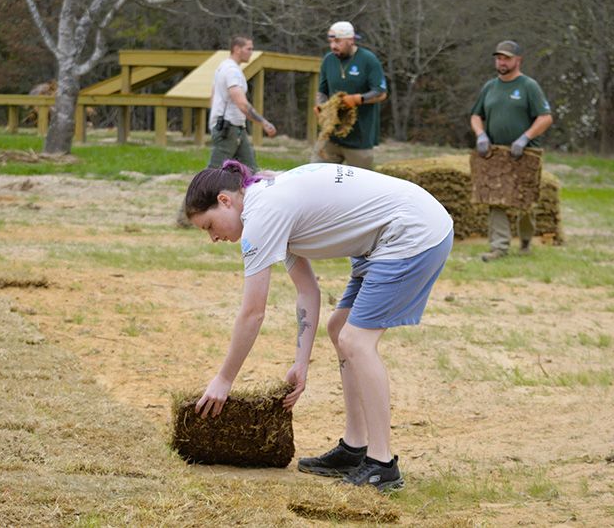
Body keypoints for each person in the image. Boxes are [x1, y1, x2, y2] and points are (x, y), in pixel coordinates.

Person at [185, 160, 453, 492]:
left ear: (225, 200)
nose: (212, 237)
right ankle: (355, 448)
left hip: (411, 230)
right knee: (340, 328)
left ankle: (382, 464)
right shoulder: (267, 201)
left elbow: (253, 312)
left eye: (209, 225)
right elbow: (308, 291)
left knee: (356, 340)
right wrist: (301, 364)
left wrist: (224, 379)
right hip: (387, 235)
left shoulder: (262, 214)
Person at [470, 40, 553, 262]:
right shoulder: (490, 87)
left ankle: (525, 240)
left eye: (506, 58)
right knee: (494, 198)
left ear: (518, 60)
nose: (502, 62)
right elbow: (476, 115)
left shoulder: (528, 86)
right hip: (495, 152)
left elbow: (545, 117)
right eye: (499, 58)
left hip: (524, 153)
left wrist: (525, 138)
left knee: (524, 201)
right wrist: (481, 135)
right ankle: (499, 247)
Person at [311, 21, 388, 169]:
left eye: (338, 41)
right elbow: (322, 90)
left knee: (360, 186)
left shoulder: (368, 60)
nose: (333, 46)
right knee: (315, 173)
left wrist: (358, 99)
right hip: (331, 136)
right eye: (331, 41)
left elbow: (381, 92)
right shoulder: (329, 60)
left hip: (360, 140)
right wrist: (321, 105)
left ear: (351, 40)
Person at [209, 35, 277, 170]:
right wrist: (264, 123)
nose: (251, 52)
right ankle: (201, 191)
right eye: (248, 48)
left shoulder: (223, 67)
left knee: (250, 169)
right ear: (237, 49)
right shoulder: (232, 71)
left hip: (234, 127)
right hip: (228, 128)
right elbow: (242, 104)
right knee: (214, 171)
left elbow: (212, 96)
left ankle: (252, 191)